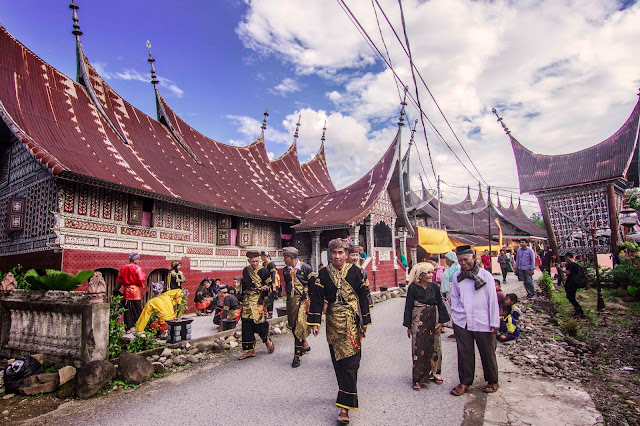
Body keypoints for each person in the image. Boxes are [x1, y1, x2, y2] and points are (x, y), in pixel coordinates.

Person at [308, 238, 371, 424]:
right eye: (334, 253)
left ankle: (345, 406)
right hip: (334, 322)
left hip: (352, 321)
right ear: (330, 254)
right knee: (339, 363)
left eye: (341, 253)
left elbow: (364, 298)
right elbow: (317, 298)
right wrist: (314, 321)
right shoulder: (323, 275)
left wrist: (365, 320)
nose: (337, 256)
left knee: (351, 363)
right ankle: (346, 393)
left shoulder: (357, 273)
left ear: (346, 254)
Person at [450, 245, 500, 397]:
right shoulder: (457, 276)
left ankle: (492, 381)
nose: (463, 263)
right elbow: (454, 298)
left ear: (474, 258)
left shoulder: (486, 276)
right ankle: (465, 382)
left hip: (483, 319)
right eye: (460, 261)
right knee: (464, 352)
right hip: (462, 320)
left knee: (487, 351)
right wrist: (456, 315)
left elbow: (493, 300)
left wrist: (494, 321)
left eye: (466, 260)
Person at [404, 262, 450, 390]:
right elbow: (408, 307)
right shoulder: (413, 288)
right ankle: (418, 377)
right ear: (420, 275)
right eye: (428, 272)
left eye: (432, 272)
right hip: (419, 319)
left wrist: (441, 321)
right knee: (419, 347)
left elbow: (440, 303)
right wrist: (408, 325)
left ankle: (434, 372)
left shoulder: (434, 286)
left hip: (433, 318)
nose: (431, 275)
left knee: (436, 346)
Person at [238, 251, 275, 360]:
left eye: (256, 261)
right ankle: (249, 350)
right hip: (247, 301)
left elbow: (270, 284)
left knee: (259, 323)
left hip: (258, 300)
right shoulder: (246, 270)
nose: (254, 263)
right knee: (246, 324)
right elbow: (243, 286)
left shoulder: (264, 271)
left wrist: (266, 288)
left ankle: (266, 340)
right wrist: (241, 301)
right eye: (252, 261)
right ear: (248, 261)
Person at [283, 246, 314, 368]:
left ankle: (297, 355)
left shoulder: (306, 268)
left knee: (299, 325)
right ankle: (305, 343)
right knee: (293, 324)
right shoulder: (286, 270)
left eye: (286, 257)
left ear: (292, 258)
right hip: (291, 301)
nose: (284, 260)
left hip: (303, 301)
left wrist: (311, 302)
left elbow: (312, 286)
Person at [116, 252, 146, 332]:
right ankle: (138, 325)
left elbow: (119, 279)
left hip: (126, 290)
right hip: (135, 290)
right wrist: (141, 285)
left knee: (127, 309)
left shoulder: (123, 268)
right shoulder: (136, 268)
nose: (139, 261)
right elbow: (140, 278)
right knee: (136, 308)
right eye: (138, 259)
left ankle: (128, 327)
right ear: (134, 259)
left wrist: (125, 284)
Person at [560, 252, 585, 318]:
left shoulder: (572, 264)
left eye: (566, 258)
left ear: (568, 257)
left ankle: (579, 310)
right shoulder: (576, 264)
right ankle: (577, 310)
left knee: (571, 297)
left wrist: (561, 270)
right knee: (571, 297)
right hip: (575, 282)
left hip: (572, 282)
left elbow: (568, 272)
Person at [441, 251, 459, 335]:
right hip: (447, 290)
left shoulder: (457, 267)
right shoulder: (448, 268)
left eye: (447, 259)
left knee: (455, 310)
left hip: (453, 288)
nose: (446, 261)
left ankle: (458, 333)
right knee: (449, 310)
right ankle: (454, 330)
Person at [261, 251, 279, 319]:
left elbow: (273, 275)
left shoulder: (271, 264)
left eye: (262, 256)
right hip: (265, 283)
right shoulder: (263, 264)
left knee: (270, 298)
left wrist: (273, 285)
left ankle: (270, 313)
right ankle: (264, 312)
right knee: (264, 298)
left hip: (270, 283)